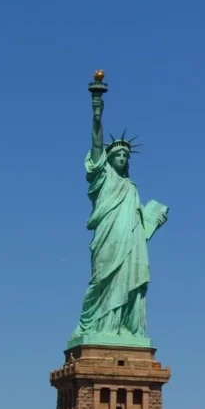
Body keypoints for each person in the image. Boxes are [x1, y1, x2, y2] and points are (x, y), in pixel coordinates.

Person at [69, 86, 169, 346]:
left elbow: (139, 224)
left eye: (126, 155)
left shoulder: (132, 188)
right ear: (109, 158)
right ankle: (93, 324)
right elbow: (95, 143)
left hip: (132, 243)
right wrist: (97, 112)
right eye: (118, 154)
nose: (123, 158)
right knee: (102, 278)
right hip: (108, 237)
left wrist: (152, 222)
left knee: (131, 278)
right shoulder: (102, 177)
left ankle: (125, 326)